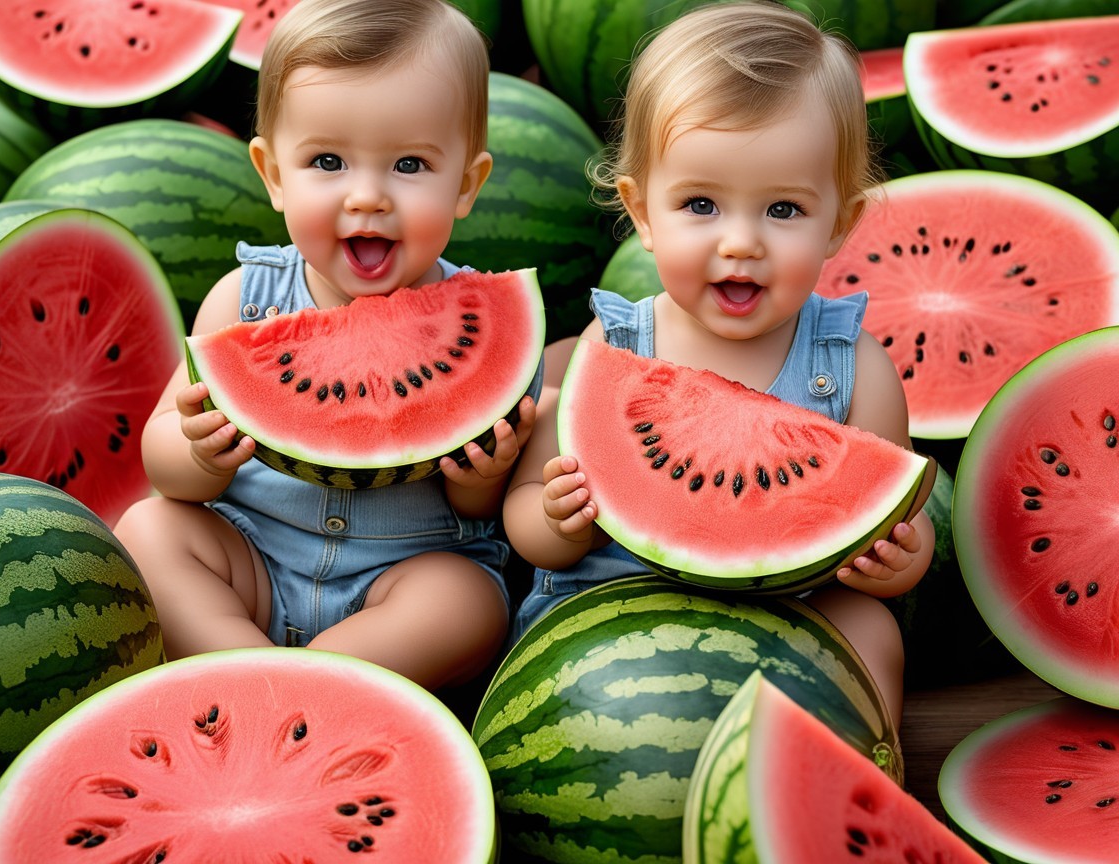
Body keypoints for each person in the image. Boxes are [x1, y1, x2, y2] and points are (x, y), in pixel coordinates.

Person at [501, 0, 933, 725]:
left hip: (794, 610)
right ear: (641, 212)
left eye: (783, 211)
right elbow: (525, 522)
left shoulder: (854, 365)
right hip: (612, 610)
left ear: (840, 223)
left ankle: (863, 775)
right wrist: (558, 521)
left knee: (871, 629)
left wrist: (899, 562)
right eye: (700, 204)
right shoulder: (612, 350)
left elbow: (885, 521)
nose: (740, 243)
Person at [114, 0, 538, 692]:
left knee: (465, 604)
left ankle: (288, 682)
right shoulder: (244, 300)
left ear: (467, 183)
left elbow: (479, 512)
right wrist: (194, 449)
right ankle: (255, 677)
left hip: (396, 579)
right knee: (149, 531)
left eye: (408, 164)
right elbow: (164, 463)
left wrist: (482, 476)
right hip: (250, 562)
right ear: (274, 173)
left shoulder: (488, 332)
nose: (366, 196)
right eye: (329, 161)